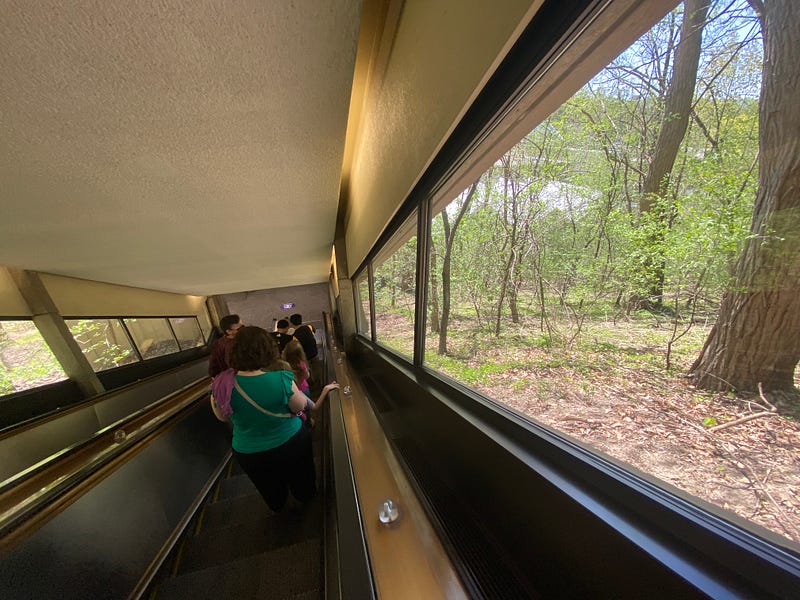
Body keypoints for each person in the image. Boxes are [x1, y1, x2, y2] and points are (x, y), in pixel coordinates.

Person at [209, 326, 324, 512]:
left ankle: (279, 508)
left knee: (270, 489)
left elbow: (222, 416)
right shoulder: (281, 378)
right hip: (291, 443)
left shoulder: (222, 383)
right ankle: (307, 501)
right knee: (302, 482)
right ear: (267, 349)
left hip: (250, 452)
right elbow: (298, 407)